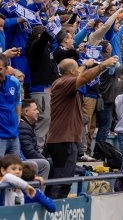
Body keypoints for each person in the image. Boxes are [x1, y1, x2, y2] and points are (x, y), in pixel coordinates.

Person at [45, 56, 118, 199]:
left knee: (60, 179)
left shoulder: (62, 81)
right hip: (64, 140)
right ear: (72, 72)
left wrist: (84, 65)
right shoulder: (65, 83)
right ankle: (57, 211)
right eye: (76, 70)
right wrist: (102, 65)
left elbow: (78, 74)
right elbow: (83, 79)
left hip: (61, 139)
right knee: (62, 182)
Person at [18, 99, 51, 182]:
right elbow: (29, 152)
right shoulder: (23, 127)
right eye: (35, 109)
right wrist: (44, 159)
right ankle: (40, 193)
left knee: (51, 162)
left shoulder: (28, 125)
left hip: (26, 158)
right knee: (45, 164)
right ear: (26, 112)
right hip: (24, 159)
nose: (38, 112)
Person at [0, 53, 21, 157]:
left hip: (13, 136)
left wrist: (18, 118)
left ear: (6, 69)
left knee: (15, 170)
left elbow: (17, 101)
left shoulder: (14, 82)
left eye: (0, 69)